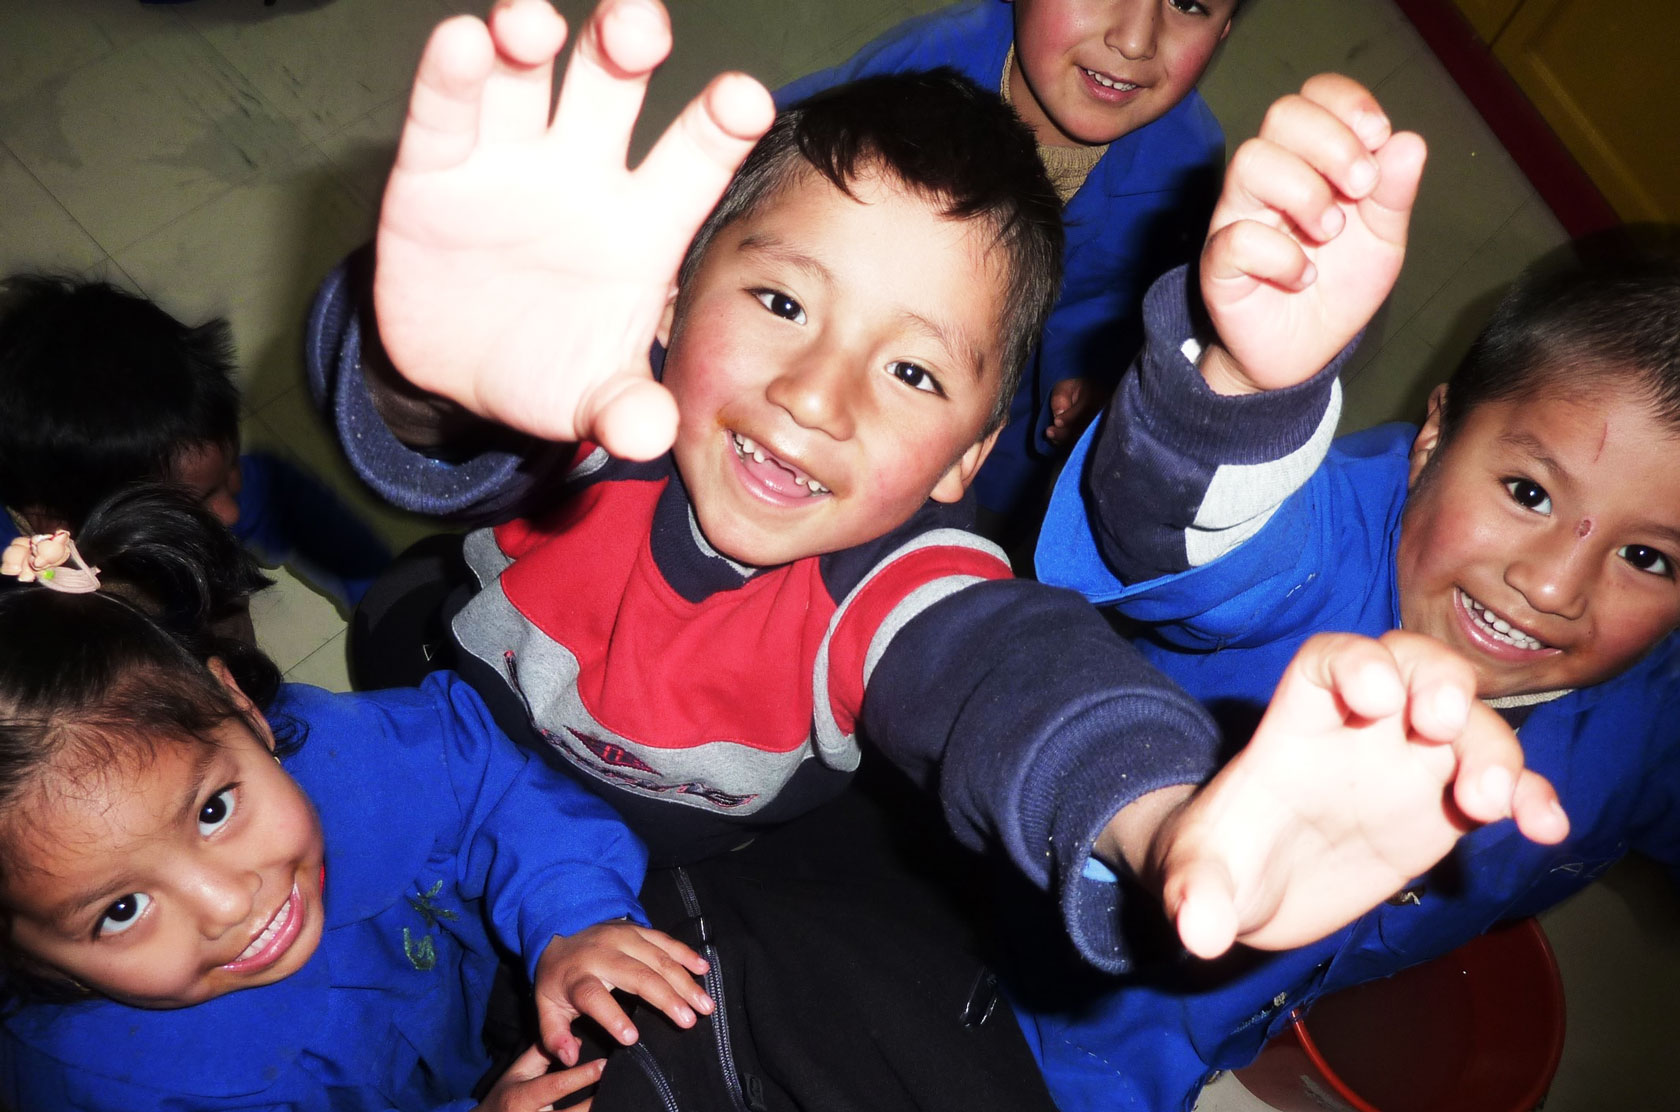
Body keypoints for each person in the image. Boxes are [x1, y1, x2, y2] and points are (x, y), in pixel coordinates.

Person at [314, 0, 1568, 981]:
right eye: (783, 301)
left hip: (633, 887)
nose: (818, 393)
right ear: (672, 296)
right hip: (447, 713)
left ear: (971, 461)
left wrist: (1163, 818)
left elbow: (1011, 679)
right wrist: (420, 378)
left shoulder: (901, 588)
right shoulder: (608, 397)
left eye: (913, 369)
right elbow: (446, 427)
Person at [1032, 72, 1680, 1110]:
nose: (1553, 584)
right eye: (1526, 491)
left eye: (1652, 558)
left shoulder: (1651, 711)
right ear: (1431, 437)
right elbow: (1173, 525)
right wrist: (1241, 393)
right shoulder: (1316, 545)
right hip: (1015, 987)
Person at [0, 487, 716, 1111]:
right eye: (120, 911)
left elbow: (495, 785)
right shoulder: (100, 1087)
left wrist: (572, 917)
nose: (227, 903)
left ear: (244, 707)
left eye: (214, 810)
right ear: (28, 956)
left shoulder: (347, 754)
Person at [778, 0, 1238, 540]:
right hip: (833, 409)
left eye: (1188, 3)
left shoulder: (1190, 161)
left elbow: (1145, 308)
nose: (1135, 41)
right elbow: (766, 188)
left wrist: (1102, 382)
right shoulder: (912, 72)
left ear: (1224, 30)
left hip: (1009, 460)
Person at [0, 274, 392, 610]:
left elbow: (294, 510)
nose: (231, 511)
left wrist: (384, 599)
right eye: (201, 502)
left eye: (231, 468)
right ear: (57, 525)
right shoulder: (21, 601)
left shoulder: (189, 484)